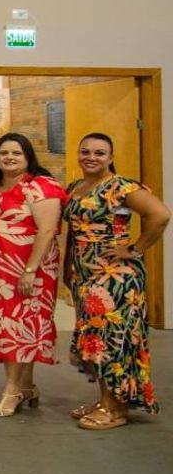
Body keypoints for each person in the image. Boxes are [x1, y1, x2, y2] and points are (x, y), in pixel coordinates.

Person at [62, 132, 167, 429]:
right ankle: (108, 400)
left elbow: (159, 215)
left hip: (115, 277)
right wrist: (69, 267)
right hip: (86, 274)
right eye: (86, 151)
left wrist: (134, 249)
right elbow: (73, 231)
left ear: (110, 156)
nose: (91, 157)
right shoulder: (77, 187)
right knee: (96, 341)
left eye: (99, 153)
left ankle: (115, 410)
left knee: (112, 342)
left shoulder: (122, 186)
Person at [0, 133, 65, 417]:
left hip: (28, 270)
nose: (9, 158)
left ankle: (11, 391)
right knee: (10, 327)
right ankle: (26, 386)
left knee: (17, 328)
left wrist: (29, 270)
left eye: (17, 153)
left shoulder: (41, 186)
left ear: (28, 156)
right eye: (4, 153)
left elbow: (48, 230)